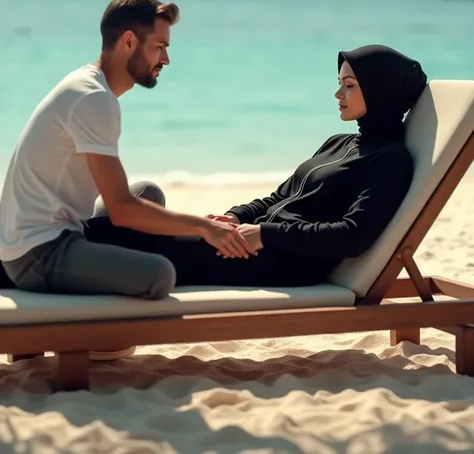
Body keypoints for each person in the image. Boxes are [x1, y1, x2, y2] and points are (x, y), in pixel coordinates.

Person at [80, 44, 428, 289]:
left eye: (349, 86)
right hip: (250, 243)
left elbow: (352, 236)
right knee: (141, 229)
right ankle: (55, 248)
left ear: (381, 91)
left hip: (283, 263)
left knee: (141, 240)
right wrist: (236, 217)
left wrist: (265, 234)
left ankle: (50, 256)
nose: (338, 94)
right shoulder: (339, 142)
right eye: (339, 84)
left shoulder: (390, 162)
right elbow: (279, 197)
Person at [0, 0, 255, 299]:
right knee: (160, 275)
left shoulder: (89, 84)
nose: (166, 59)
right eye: (159, 48)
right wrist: (204, 227)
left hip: (51, 229)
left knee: (148, 192)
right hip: (39, 252)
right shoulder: (93, 99)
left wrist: (195, 226)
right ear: (129, 42)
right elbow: (121, 210)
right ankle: (109, 348)